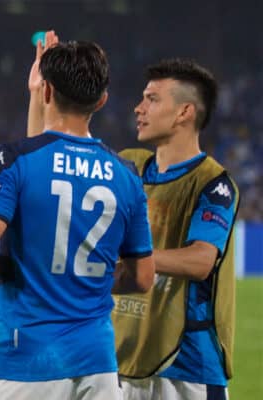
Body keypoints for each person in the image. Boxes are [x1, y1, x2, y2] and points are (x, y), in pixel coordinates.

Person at [0, 33, 155, 400]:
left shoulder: (13, 160)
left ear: (47, 92)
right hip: (98, 366)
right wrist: (77, 281)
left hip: (26, 361)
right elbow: (144, 277)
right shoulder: (127, 175)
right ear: (102, 100)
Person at [111, 59, 240, 400]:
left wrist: (133, 258)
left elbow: (200, 261)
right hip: (121, 360)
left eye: (152, 99)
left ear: (184, 112)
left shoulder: (213, 184)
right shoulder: (129, 165)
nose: (139, 108)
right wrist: (44, 96)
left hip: (187, 369)